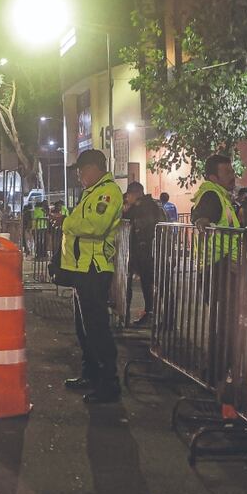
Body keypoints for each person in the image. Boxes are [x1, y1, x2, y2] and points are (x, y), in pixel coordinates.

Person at [60, 149, 124, 404]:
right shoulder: (91, 193)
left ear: (95, 168)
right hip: (81, 268)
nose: (79, 175)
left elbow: (95, 226)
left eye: (81, 169)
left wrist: (66, 223)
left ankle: (109, 383)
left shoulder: (108, 192)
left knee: (97, 328)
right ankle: (91, 374)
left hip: (94, 269)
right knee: (84, 328)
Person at [191, 155, 242, 407]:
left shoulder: (219, 195)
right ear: (213, 176)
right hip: (220, 267)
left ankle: (216, 372)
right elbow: (202, 216)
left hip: (221, 266)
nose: (233, 174)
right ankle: (219, 376)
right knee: (226, 325)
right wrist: (201, 220)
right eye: (228, 171)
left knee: (223, 324)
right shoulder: (212, 195)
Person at [124, 182, 162, 326]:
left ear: (136, 194)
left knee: (149, 284)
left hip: (145, 250)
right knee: (151, 284)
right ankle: (154, 315)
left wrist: (127, 210)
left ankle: (149, 315)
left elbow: (130, 219)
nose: (127, 198)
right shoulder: (151, 204)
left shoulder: (142, 206)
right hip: (150, 250)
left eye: (129, 195)